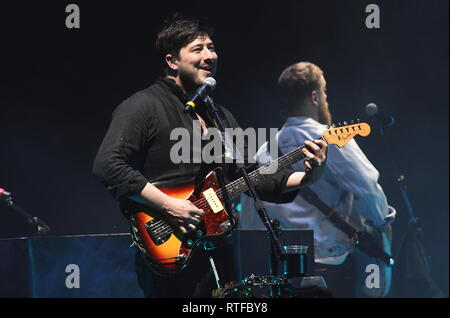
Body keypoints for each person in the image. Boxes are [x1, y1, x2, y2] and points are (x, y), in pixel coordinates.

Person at [92, 18, 327, 298]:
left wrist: (309, 176)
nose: (210, 55)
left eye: (212, 48)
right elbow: (108, 164)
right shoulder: (143, 106)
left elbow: (253, 176)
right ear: (172, 61)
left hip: (218, 247)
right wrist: (170, 206)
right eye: (198, 48)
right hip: (169, 246)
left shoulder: (220, 116)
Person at [239, 61, 395, 298]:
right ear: (315, 96)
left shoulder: (264, 150)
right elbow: (368, 188)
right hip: (329, 266)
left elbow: (250, 217)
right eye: (324, 93)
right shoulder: (331, 138)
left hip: (283, 272)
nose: (325, 99)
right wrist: (382, 227)